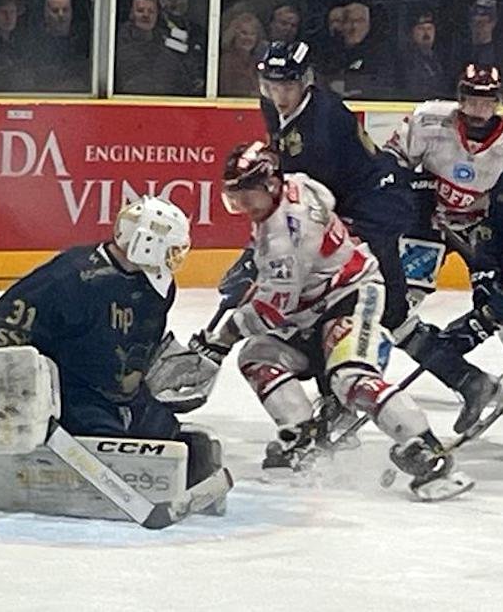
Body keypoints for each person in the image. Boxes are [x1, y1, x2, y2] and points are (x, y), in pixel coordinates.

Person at [190, 141, 473, 501]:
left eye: (248, 195)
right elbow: (324, 204)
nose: (242, 205)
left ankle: (427, 451)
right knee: (258, 358)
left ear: (271, 185)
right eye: (235, 196)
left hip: (351, 295)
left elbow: (274, 308)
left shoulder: (285, 237)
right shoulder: (297, 183)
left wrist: (222, 337)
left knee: (351, 378)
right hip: (313, 304)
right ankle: (304, 438)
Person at [0, 196, 221, 486]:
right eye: (172, 249)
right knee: (111, 446)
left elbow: (136, 338)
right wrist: (19, 394)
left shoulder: (158, 286)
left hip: (127, 399)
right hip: (75, 397)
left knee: (186, 443)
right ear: (147, 243)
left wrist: (164, 365)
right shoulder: (71, 277)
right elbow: (3, 319)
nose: (176, 257)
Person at [256, 40, 415, 333]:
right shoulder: (271, 104)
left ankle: (399, 328)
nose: (279, 97)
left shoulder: (322, 123)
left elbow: (310, 191)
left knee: (377, 280)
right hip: (345, 192)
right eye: (271, 87)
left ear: (305, 81)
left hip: (378, 198)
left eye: (287, 87)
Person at [383, 63, 503, 431]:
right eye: (471, 99)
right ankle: (362, 382)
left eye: (487, 101)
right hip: (428, 225)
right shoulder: (429, 120)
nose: (478, 108)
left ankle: (472, 378)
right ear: (459, 98)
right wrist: (412, 191)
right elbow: (390, 165)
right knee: (396, 308)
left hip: (481, 231)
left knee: (496, 306)